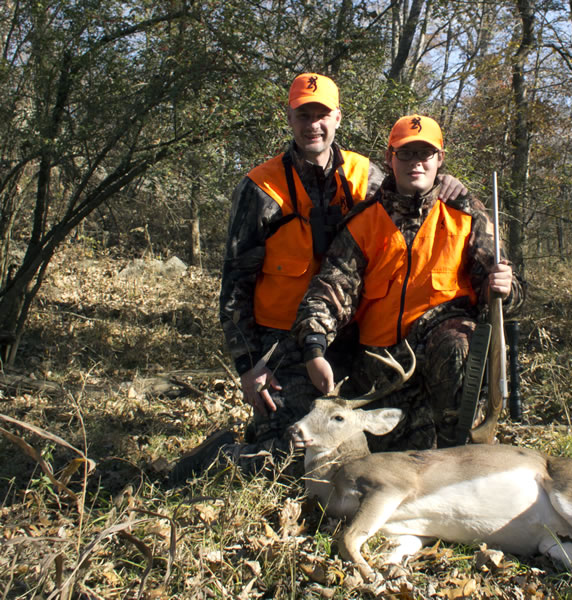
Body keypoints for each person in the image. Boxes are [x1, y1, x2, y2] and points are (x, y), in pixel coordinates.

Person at [170, 76, 466, 482]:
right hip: (286, 348)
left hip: (356, 340)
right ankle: (220, 458)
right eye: (303, 114)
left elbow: (412, 200)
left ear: (338, 118)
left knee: (374, 455)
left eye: (322, 114)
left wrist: (447, 186)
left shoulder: (368, 177)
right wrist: (250, 365)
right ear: (289, 119)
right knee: (297, 458)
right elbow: (234, 286)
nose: (314, 124)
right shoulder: (260, 188)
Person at [292, 114, 525, 450]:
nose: (416, 162)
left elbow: (507, 293)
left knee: (458, 345)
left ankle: (461, 453)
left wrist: (503, 287)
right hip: (382, 368)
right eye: (406, 153)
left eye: (425, 154)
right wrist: (314, 347)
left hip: (443, 360)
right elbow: (331, 289)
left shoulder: (467, 216)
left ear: (439, 159)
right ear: (390, 158)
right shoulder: (364, 222)